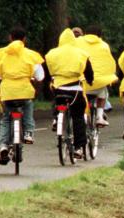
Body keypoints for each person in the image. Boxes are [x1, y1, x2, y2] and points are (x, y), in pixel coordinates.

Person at [0, 26, 45, 164]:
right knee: (28, 109)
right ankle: (28, 133)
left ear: (10, 38)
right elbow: (40, 77)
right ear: (24, 40)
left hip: (7, 93)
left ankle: (3, 146)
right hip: (25, 91)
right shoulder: (32, 55)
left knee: (6, 120)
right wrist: (35, 88)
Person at [45, 28, 94, 159]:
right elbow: (88, 72)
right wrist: (90, 81)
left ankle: (56, 118)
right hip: (75, 90)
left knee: (57, 102)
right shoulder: (81, 53)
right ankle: (78, 148)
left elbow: (47, 72)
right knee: (78, 115)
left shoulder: (51, 53)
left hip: (58, 88)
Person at [74, 25, 118, 127]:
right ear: (100, 35)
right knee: (103, 92)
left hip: (81, 83)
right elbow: (109, 63)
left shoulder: (77, 42)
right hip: (97, 83)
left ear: (85, 33)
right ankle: (99, 117)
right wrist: (111, 77)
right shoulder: (104, 45)